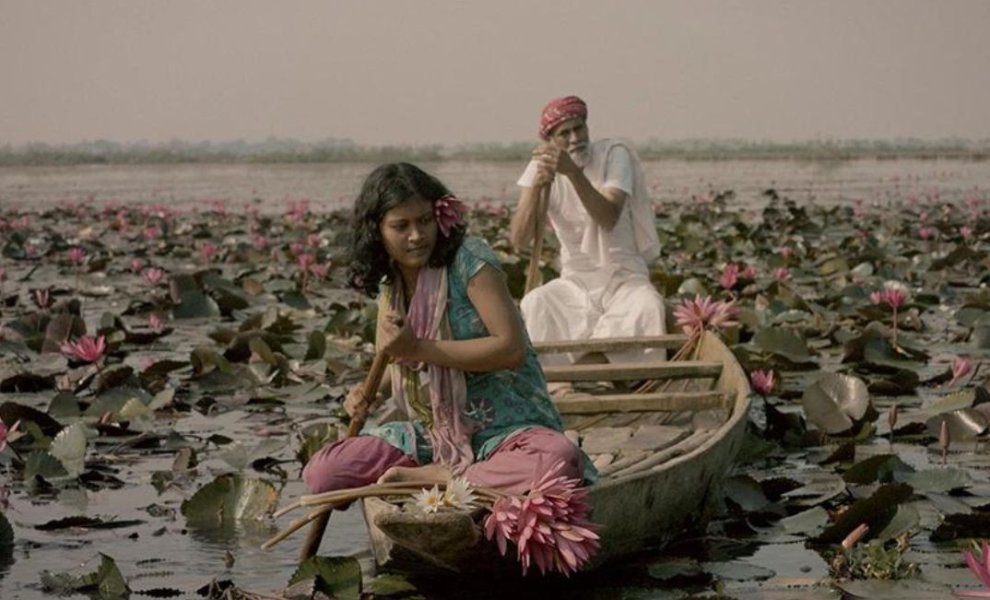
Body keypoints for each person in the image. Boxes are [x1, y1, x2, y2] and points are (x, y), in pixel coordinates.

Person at [303, 162, 589, 497]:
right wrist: (368, 392)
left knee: (559, 460)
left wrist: (418, 349)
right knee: (323, 474)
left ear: (440, 216)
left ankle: (441, 478)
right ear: (377, 231)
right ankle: (451, 473)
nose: (416, 236)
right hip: (434, 432)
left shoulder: (470, 260)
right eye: (401, 226)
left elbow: (511, 350)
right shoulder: (389, 281)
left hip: (506, 428)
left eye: (424, 221)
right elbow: (398, 357)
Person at [509, 95, 666, 382]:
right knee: (536, 303)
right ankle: (573, 381)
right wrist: (534, 188)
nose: (574, 139)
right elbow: (519, 240)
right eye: (563, 134)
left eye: (578, 128)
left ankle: (580, 377)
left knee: (648, 306)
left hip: (624, 277)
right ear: (551, 140)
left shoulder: (613, 154)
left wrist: (571, 173)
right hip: (577, 282)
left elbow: (607, 217)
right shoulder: (541, 163)